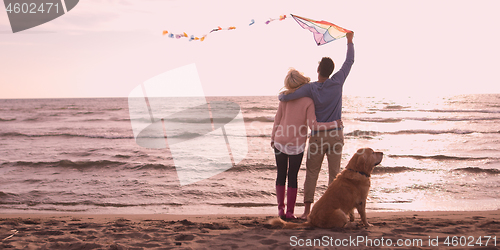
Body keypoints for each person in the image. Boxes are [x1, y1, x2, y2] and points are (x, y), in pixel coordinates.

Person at [278, 31, 354, 219]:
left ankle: (306, 212)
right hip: (336, 133)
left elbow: (290, 95)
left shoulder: (311, 88)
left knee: (312, 173)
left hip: (318, 137)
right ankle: (334, 210)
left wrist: (280, 96)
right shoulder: (337, 81)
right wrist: (349, 41)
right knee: (335, 175)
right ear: (331, 70)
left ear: (318, 69)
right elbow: (349, 61)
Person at [271, 69, 342, 220]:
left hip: (279, 141)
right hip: (296, 145)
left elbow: (277, 120)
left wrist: (273, 138)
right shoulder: (308, 102)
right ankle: (290, 212)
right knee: (292, 177)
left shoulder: (284, 99)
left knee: (280, 175)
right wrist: (334, 124)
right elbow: (314, 126)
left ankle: (280, 210)